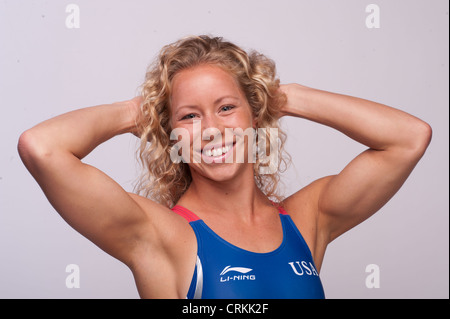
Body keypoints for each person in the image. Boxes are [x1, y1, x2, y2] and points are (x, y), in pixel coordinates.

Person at [18, 35, 432, 299]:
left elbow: (408, 137)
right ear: (171, 135)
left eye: (227, 108)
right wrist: (136, 111)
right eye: (189, 117)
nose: (212, 130)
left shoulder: (306, 220)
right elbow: (42, 148)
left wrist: (283, 96)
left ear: (255, 115)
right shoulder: (161, 236)